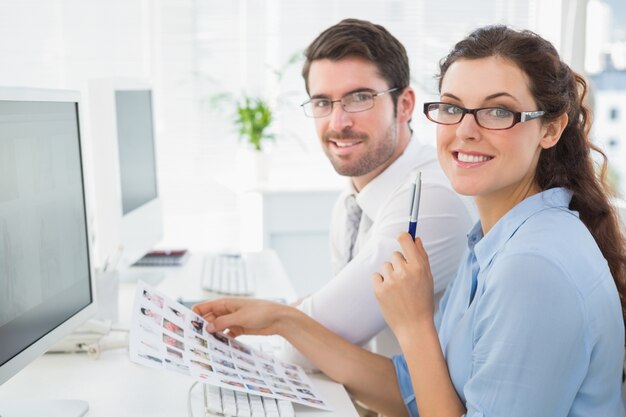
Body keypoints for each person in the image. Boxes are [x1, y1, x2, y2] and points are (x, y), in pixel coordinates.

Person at [194, 25, 626, 417]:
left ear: (549, 131)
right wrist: (284, 319)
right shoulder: (494, 241)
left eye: (498, 112)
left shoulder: (533, 267)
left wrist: (414, 324)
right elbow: (413, 391)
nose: (466, 130)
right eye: (453, 108)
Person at [282, 18, 474, 366]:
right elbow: (329, 323)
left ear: (405, 105)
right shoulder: (353, 199)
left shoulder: (430, 198)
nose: (338, 122)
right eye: (323, 102)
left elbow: (306, 345)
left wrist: (279, 321)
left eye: (359, 98)